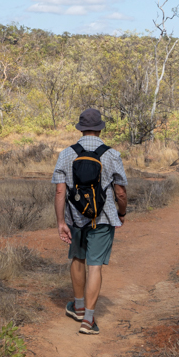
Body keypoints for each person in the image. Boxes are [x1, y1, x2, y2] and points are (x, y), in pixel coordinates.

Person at [52, 108, 128, 335]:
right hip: (102, 218)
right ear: (100, 128)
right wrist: (121, 213)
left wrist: (60, 222)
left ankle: (77, 306)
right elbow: (121, 193)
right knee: (95, 266)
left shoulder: (66, 154)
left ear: (81, 128)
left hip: (75, 218)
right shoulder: (112, 155)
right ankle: (88, 321)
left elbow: (59, 192)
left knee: (77, 258)